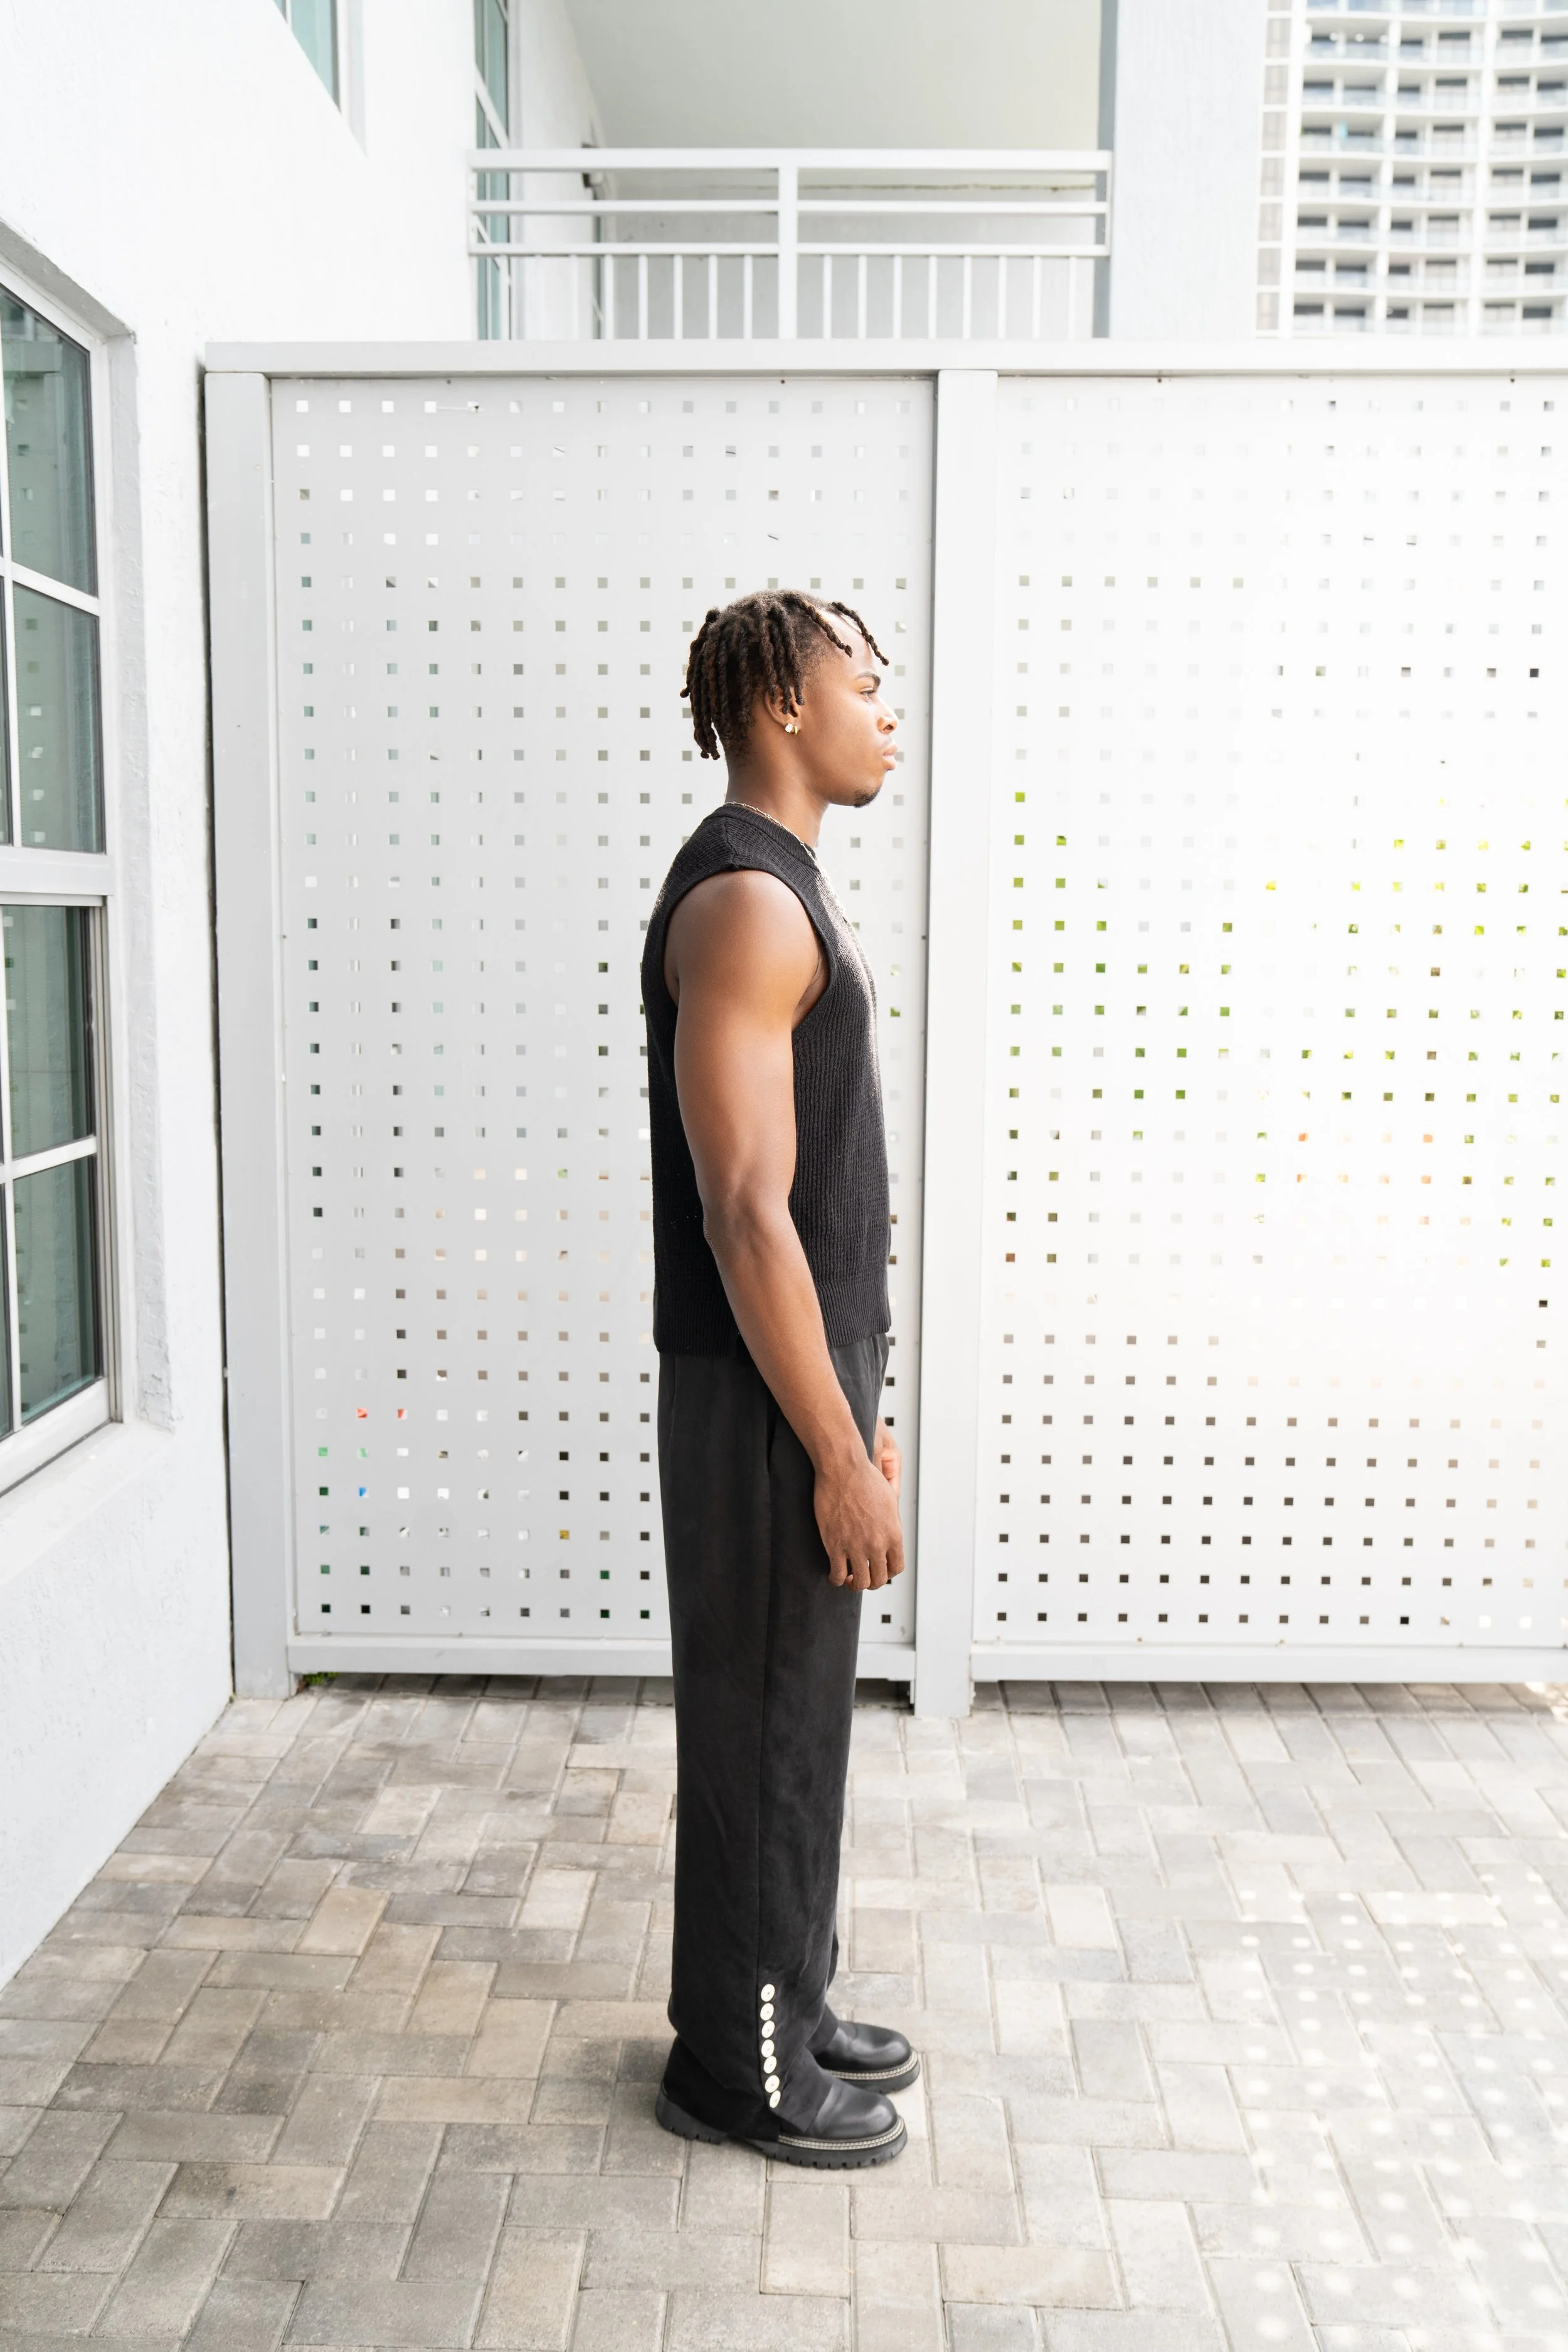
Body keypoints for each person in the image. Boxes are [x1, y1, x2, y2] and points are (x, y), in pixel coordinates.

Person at [641, 588, 916, 2169]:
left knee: (798, 1718)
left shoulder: (787, 889)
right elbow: (743, 1211)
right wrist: (831, 1447)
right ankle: (733, 2072)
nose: (888, 709)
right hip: (759, 1397)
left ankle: (781, 2005)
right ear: (782, 708)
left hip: (801, 1376)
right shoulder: (743, 903)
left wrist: (854, 1405)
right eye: (863, 683)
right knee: (757, 1728)